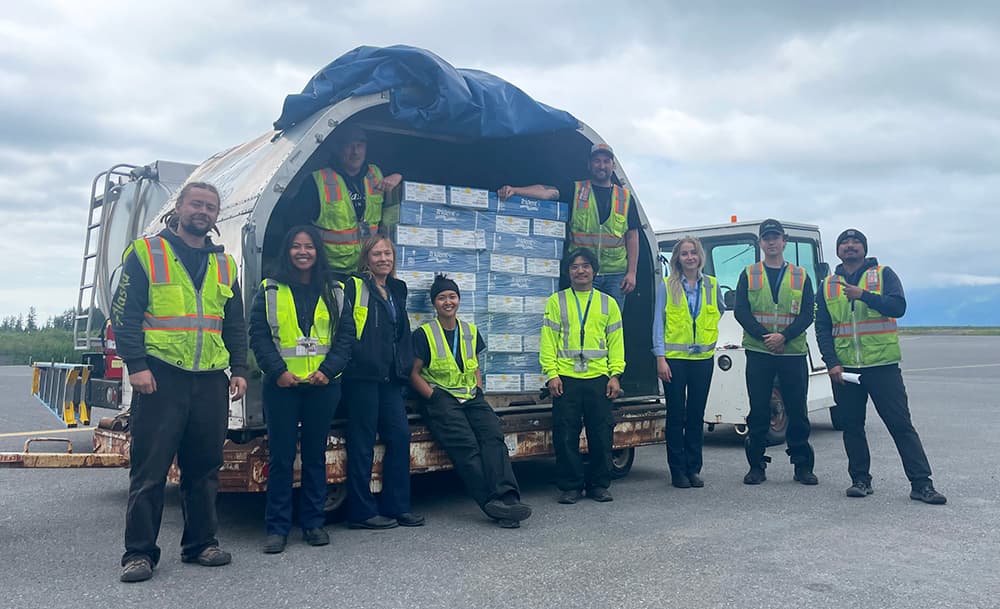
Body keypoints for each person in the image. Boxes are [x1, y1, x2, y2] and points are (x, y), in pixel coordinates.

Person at [111, 182, 248, 583]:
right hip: (160, 377)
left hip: (209, 380)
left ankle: (201, 544)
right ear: (180, 207)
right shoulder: (146, 252)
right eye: (196, 204)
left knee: (205, 468)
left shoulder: (225, 264)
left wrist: (238, 368)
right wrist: (136, 365)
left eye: (210, 207)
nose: (203, 211)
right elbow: (125, 315)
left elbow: (233, 322)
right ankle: (138, 554)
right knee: (149, 471)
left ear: (216, 216)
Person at [815, 229, 946, 504]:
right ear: (837, 251)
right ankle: (860, 480)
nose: (850, 247)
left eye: (855, 243)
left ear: (864, 248)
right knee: (852, 426)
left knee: (900, 425)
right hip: (846, 369)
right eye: (844, 243)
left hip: (882, 366)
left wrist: (863, 294)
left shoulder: (884, 274)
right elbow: (823, 327)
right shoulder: (828, 284)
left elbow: (898, 307)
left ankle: (922, 483)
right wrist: (832, 363)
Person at [248, 226, 356, 554]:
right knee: (281, 458)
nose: (303, 252)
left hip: (323, 387)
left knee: (314, 457)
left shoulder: (335, 289)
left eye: (309, 246)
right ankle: (277, 528)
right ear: (287, 251)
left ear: (317, 251)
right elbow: (259, 335)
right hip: (282, 387)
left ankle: (312, 523)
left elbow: (346, 337)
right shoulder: (269, 289)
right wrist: (278, 371)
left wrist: (327, 370)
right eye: (296, 246)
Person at [410, 275, 533, 528]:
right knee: (466, 445)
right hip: (441, 397)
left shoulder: (469, 331)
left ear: (459, 299)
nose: (448, 301)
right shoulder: (424, 334)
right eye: (442, 297)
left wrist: (477, 387)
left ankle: (508, 496)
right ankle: (490, 501)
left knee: (493, 436)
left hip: (470, 395)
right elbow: (413, 373)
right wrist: (432, 396)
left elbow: (475, 365)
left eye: (452, 296)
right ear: (434, 303)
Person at [338, 234, 424, 529]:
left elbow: (402, 332)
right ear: (366, 258)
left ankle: (397, 505)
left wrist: (404, 366)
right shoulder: (354, 286)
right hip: (361, 376)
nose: (383, 259)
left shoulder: (397, 289)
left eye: (387, 253)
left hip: (391, 377)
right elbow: (345, 328)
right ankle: (361, 512)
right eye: (377, 254)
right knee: (361, 442)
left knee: (400, 437)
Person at [498, 143, 640, 310]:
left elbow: (632, 236)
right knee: (580, 319)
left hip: (615, 275)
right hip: (582, 271)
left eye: (606, 161)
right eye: (597, 161)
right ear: (589, 164)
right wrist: (515, 190)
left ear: (613, 166)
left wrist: (632, 273)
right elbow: (546, 191)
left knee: (612, 322)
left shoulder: (625, 197)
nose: (601, 166)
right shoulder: (576, 189)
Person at [734, 219, 817, 486]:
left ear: (784, 241)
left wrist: (784, 336)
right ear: (760, 243)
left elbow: (807, 313)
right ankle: (756, 466)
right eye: (766, 238)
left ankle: (802, 466)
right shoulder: (748, 273)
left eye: (775, 237)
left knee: (797, 409)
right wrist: (764, 336)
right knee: (759, 410)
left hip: (792, 352)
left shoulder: (801, 275)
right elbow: (741, 311)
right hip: (759, 352)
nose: (771, 242)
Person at [540, 248, 626, 504]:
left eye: (585, 265)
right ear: (568, 272)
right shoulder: (557, 301)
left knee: (601, 433)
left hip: (599, 376)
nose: (580, 270)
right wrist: (551, 374)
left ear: (594, 271)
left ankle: (599, 484)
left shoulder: (607, 303)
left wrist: (615, 374)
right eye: (575, 266)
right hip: (566, 377)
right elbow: (548, 341)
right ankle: (571, 485)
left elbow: (616, 341)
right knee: (565, 433)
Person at [652, 237, 724, 488]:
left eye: (693, 253)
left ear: (700, 256)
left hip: (702, 359)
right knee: (676, 415)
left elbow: (719, 311)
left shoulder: (712, 286)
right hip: (674, 360)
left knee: (695, 415)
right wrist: (660, 358)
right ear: (677, 259)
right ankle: (677, 471)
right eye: (684, 254)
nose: (690, 257)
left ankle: (694, 468)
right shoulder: (667, 285)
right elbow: (658, 323)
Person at [308, 124, 403, 278]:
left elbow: (415, 168)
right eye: (349, 145)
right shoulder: (317, 181)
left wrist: (398, 175)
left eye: (360, 145)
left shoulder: (376, 173)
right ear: (338, 148)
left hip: (367, 270)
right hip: (332, 272)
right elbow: (297, 228)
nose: (355, 151)